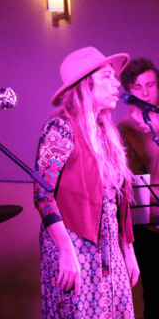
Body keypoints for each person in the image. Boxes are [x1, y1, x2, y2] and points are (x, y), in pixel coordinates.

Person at [33, 46, 140, 318]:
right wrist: (66, 251)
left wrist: (128, 249)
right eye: (107, 76)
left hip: (109, 248)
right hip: (74, 245)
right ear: (85, 84)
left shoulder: (107, 133)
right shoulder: (61, 129)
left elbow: (118, 198)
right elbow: (43, 195)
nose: (117, 83)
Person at [118, 58, 159, 319]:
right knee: (155, 294)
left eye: (151, 85)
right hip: (151, 225)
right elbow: (135, 185)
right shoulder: (125, 129)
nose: (145, 93)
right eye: (137, 87)